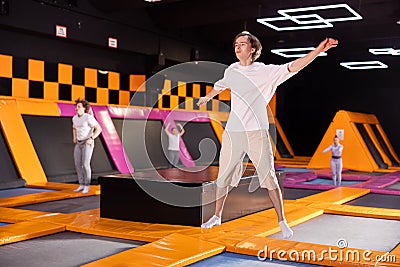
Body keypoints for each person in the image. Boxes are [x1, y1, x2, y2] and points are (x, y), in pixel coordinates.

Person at [197, 31, 338, 239]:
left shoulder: (265, 72)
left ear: (252, 49)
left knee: (269, 178)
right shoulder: (232, 70)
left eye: (242, 44)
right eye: (236, 44)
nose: (237, 47)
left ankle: (282, 221)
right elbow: (220, 85)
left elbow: (294, 66)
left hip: (256, 132)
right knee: (223, 178)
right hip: (234, 133)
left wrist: (317, 51)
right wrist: (206, 97)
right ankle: (217, 216)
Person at [72, 98, 102, 194]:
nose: (76, 108)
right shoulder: (74, 118)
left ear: (84, 108)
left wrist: (92, 138)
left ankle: (87, 185)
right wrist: (74, 137)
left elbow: (99, 129)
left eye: (79, 107)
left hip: (87, 142)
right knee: (77, 164)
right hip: (79, 142)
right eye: (76, 107)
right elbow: (74, 128)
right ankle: (81, 184)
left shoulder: (88, 117)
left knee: (85, 164)